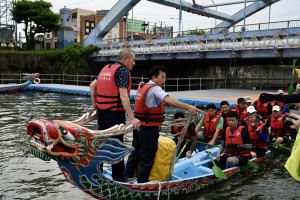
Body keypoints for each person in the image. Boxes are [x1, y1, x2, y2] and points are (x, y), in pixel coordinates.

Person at [125, 65, 199, 183]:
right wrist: (188, 107)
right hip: (148, 129)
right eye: (162, 77)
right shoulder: (155, 89)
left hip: (138, 127)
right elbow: (167, 100)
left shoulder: (143, 86)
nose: (164, 80)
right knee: (147, 157)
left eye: (165, 78)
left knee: (135, 152)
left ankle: (127, 176)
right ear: (154, 78)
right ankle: (142, 184)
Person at [90, 48, 140, 182]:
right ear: (125, 59)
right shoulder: (122, 71)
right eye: (133, 60)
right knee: (117, 144)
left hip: (102, 113)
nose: (134, 63)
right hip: (115, 114)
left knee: (101, 142)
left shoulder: (106, 68)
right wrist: (131, 117)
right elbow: (124, 97)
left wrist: (95, 105)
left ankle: (97, 172)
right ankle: (119, 177)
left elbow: (92, 85)